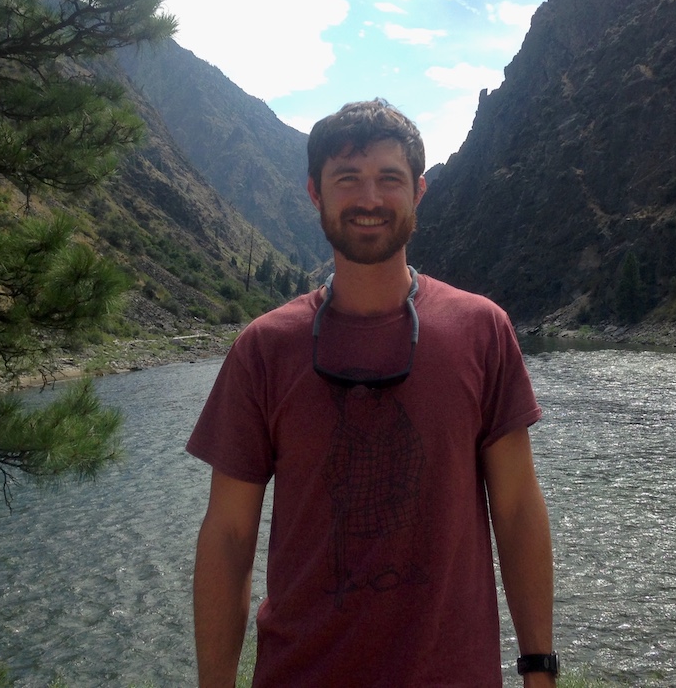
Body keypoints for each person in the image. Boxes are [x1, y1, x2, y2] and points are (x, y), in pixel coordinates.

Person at [188, 99, 556, 687]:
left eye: (390, 178)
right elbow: (229, 535)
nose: (369, 199)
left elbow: (515, 507)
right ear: (315, 193)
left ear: (419, 192)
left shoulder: (482, 330)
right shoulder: (263, 349)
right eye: (348, 179)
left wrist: (539, 667)